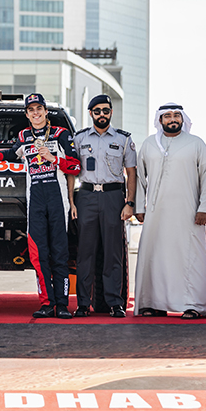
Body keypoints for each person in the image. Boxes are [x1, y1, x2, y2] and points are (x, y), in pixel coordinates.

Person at [0, 93, 81, 319]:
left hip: (57, 201)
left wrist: (54, 159)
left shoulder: (61, 134)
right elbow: (12, 153)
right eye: (31, 110)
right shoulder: (24, 136)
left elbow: (76, 166)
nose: (36, 113)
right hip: (35, 201)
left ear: (46, 112)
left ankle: (63, 305)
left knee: (60, 253)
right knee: (39, 254)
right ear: (27, 114)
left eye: (39, 109)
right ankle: (47, 303)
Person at [134, 103, 206, 319]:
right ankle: (154, 303)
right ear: (160, 120)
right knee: (156, 256)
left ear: (182, 119)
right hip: (156, 214)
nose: (172, 119)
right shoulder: (149, 144)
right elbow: (140, 178)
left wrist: (204, 208)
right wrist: (139, 207)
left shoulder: (196, 143)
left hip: (188, 212)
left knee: (190, 257)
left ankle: (193, 304)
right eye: (167, 116)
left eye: (177, 115)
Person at [70, 95, 136, 318]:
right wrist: (71, 202)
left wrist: (130, 203)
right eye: (97, 111)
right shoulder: (79, 138)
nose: (102, 114)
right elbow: (71, 171)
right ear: (90, 113)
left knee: (113, 253)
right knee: (85, 253)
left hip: (113, 197)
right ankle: (82, 304)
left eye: (106, 110)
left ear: (111, 112)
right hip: (86, 196)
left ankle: (114, 303)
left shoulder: (123, 139)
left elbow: (132, 173)